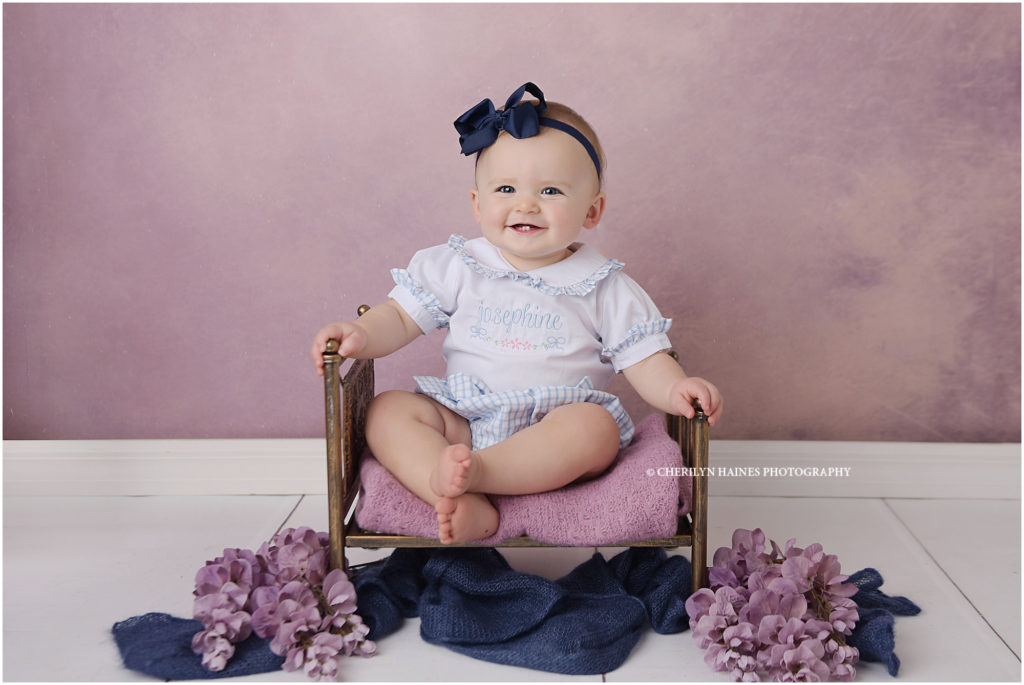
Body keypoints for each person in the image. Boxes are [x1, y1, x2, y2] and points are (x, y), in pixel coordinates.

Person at [312, 83, 723, 544]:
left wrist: (676, 389)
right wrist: (361, 333)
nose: (525, 204)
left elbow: (645, 358)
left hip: (554, 424)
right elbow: (402, 317)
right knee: (388, 411)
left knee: (596, 430)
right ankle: (448, 486)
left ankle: (482, 475)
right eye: (506, 188)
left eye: (550, 190)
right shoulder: (460, 265)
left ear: (593, 210)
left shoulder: (605, 286)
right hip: (464, 419)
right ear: (477, 204)